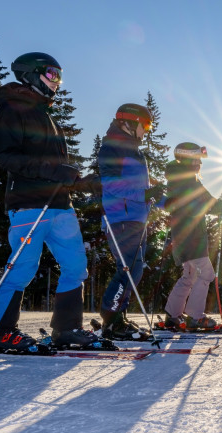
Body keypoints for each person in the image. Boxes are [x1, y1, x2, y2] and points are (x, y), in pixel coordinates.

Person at [0, 52, 100, 350]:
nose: (57, 81)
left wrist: (82, 182)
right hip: (28, 203)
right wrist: (54, 170)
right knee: (23, 267)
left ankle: (66, 329)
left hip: (60, 205)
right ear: (30, 74)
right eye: (52, 74)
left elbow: (56, 168)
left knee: (76, 265)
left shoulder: (46, 115)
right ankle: (1, 333)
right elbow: (7, 157)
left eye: (60, 75)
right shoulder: (13, 110)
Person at [97, 103, 164, 340]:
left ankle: (118, 317)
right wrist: (144, 195)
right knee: (128, 270)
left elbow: (143, 188)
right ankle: (111, 318)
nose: (146, 130)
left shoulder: (135, 151)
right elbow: (111, 184)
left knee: (133, 272)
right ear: (128, 122)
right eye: (144, 125)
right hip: (121, 219)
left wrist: (169, 201)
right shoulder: (112, 148)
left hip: (137, 219)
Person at [163, 142, 222, 331]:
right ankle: (195, 317)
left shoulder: (180, 178)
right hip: (191, 237)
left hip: (183, 237)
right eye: (197, 159)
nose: (199, 163)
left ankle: (173, 315)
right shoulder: (187, 181)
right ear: (187, 158)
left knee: (189, 276)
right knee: (206, 274)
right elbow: (206, 203)